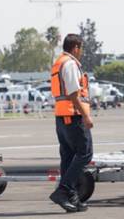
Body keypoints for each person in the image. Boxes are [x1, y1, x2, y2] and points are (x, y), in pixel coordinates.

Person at [49, 34, 93, 213]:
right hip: (73, 116)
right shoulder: (70, 63)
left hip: (61, 117)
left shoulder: (59, 62)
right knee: (85, 154)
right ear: (75, 47)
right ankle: (63, 190)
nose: (81, 52)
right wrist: (86, 116)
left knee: (68, 157)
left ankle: (71, 197)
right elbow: (74, 93)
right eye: (80, 48)